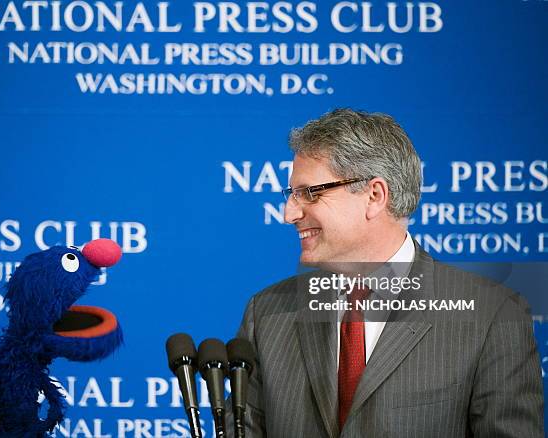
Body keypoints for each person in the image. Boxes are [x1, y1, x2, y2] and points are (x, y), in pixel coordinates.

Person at [228, 109, 544, 437]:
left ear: (374, 196)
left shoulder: (492, 316)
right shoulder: (266, 314)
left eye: (310, 193)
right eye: (291, 194)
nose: (289, 213)